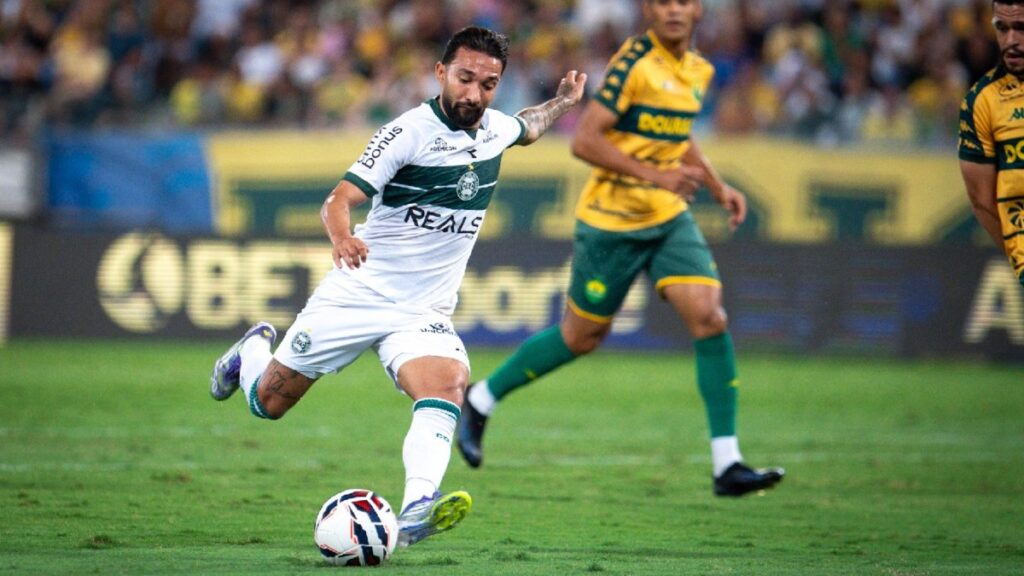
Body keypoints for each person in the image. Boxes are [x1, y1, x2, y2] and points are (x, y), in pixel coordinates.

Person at [209, 25, 587, 547]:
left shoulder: (495, 128)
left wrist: (563, 102)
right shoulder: (406, 133)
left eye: (488, 84)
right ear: (440, 73)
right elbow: (338, 199)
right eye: (465, 78)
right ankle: (250, 353)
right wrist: (342, 238)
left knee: (448, 382)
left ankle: (416, 509)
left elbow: (530, 125)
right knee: (267, 403)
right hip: (359, 291)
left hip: (422, 309)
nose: (474, 94)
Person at [456, 0, 785, 497]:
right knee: (581, 337)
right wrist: (659, 176)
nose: (675, 10)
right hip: (611, 221)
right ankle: (481, 399)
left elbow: (677, 134)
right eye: (664, 1)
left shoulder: (698, 68)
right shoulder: (632, 64)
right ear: (650, 10)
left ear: (698, 11)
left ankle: (727, 463)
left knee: (710, 317)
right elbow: (584, 141)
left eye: (685, 2)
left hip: (668, 218)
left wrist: (718, 186)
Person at [959, 0, 1024, 286]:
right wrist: (1019, 258)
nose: (1011, 40)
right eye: (1002, 28)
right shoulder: (981, 101)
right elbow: (982, 201)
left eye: (1021, 28)